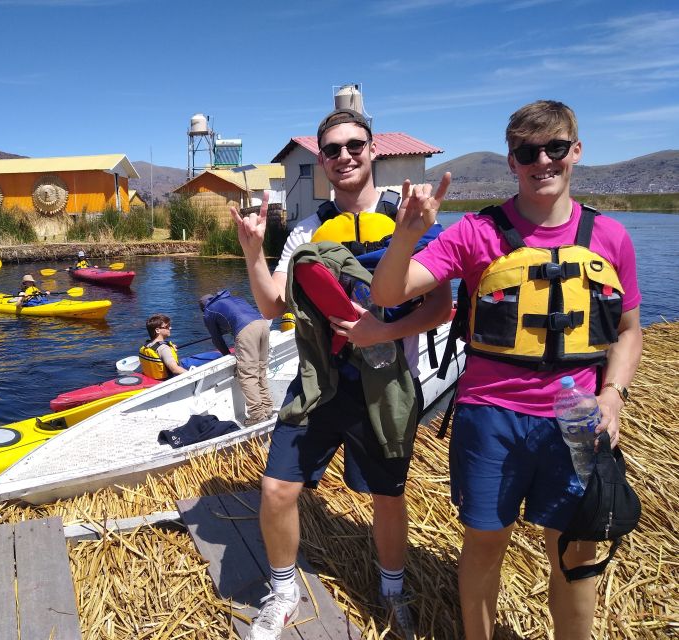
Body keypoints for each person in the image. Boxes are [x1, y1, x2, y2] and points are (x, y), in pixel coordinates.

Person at [371, 100, 642, 639]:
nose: (543, 160)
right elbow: (387, 292)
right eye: (527, 151)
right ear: (512, 160)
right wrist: (407, 234)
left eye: (555, 148)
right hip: (490, 420)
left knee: (575, 547)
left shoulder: (610, 237)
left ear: (576, 152)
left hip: (577, 423)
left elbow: (629, 331)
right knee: (485, 542)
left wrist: (613, 395)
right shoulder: (476, 232)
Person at [231, 108, 453, 640]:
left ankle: (392, 589)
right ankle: (282, 590)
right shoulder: (307, 229)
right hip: (319, 379)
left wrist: (379, 333)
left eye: (354, 145)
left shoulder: (412, 216)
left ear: (373, 149)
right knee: (278, 489)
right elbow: (271, 306)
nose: (344, 156)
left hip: (386, 381)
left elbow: (442, 307)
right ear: (322, 160)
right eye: (332, 150)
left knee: (387, 495)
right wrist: (252, 251)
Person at [200, 290, 274, 426]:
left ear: (203, 307)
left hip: (246, 330)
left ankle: (257, 415)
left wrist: (227, 354)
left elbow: (217, 339)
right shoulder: (234, 298)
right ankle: (267, 409)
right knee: (260, 370)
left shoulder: (208, 311)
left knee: (247, 375)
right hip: (262, 325)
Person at [138, 314, 187, 380]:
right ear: (157, 330)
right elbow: (175, 369)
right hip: (166, 381)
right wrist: (192, 374)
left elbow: (157, 348)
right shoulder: (164, 349)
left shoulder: (147, 345)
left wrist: (170, 348)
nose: (170, 328)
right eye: (167, 326)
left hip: (152, 378)